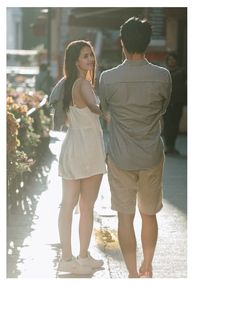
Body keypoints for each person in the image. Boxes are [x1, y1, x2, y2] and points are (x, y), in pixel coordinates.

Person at [99, 17, 172, 278]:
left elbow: (105, 110)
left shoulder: (107, 78)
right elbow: (163, 108)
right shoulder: (163, 76)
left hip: (120, 156)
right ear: (148, 43)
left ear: (122, 43)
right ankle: (148, 265)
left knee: (125, 217)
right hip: (151, 154)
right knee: (149, 214)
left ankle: (131, 272)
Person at [57, 40, 107, 275]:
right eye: (85, 56)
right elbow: (101, 111)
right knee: (86, 206)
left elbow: (65, 118)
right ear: (76, 60)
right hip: (88, 148)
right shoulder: (84, 85)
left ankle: (69, 258)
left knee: (68, 204)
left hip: (72, 145)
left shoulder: (65, 84)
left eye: (91, 56)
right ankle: (82, 256)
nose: (90, 60)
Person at [163, 51, 187, 154]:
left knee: (175, 125)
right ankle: (167, 146)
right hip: (166, 103)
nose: (171, 61)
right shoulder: (164, 72)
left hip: (177, 103)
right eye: (169, 59)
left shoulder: (182, 72)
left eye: (173, 59)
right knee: (167, 125)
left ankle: (172, 146)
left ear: (176, 60)